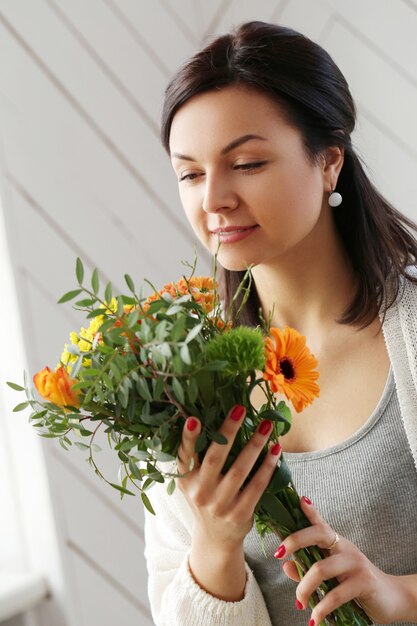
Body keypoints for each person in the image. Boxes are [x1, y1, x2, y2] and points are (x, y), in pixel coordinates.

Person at [143, 20, 417, 626]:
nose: (213, 198)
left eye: (246, 162)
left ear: (328, 162)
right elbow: (172, 606)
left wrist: (400, 597)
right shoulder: (184, 377)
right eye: (189, 173)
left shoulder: (411, 335)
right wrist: (214, 545)